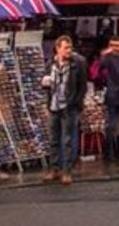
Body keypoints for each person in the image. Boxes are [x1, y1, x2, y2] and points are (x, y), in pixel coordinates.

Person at [42, 35, 87, 185]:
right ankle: (54, 168)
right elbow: (45, 83)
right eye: (66, 47)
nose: (69, 50)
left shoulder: (77, 64)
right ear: (58, 48)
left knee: (66, 139)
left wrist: (77, 103)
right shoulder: (50, 64)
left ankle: (66, 171)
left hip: (69, 106)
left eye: (70, 47)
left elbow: (82, 86)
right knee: (53, 139)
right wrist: (45, 86)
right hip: (54, 105)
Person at [95, 37, 119, 162]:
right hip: (113, 95)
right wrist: (104, 56)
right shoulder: (109, 59)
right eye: (116, 45)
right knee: (112, 125)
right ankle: (110, 152)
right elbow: (99, 71)